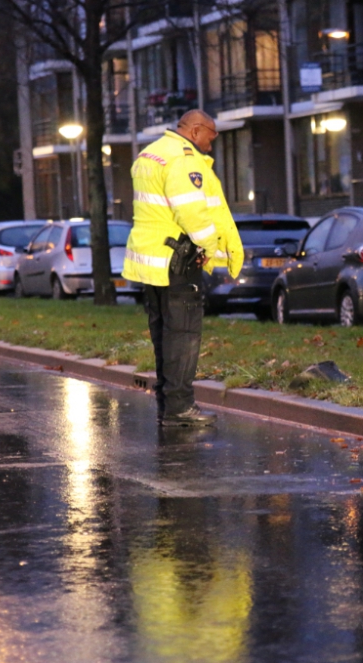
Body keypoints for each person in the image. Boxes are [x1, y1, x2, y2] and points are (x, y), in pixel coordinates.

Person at [123, 109, 243, 427]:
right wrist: (210, 248)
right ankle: (179, 407)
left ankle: (167, 403)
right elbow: (192, 213)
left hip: (151, 262)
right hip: (179, 261)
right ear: (194, 131)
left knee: (162, 333)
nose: (212, 143)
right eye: (211, 135)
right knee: (185, 335)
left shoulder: (150, 154)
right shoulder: (183, 159)